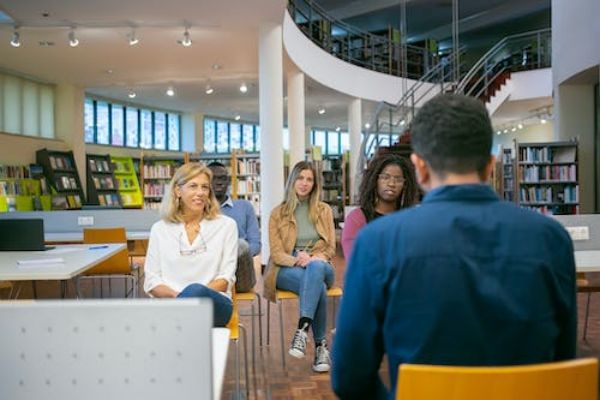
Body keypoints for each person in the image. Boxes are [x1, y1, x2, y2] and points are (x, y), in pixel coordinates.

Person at [332, 94, 576, 399]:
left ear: (419, 168)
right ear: (490, 166)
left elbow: (349, 378)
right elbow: (563, 361)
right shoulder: (551, 239)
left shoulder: (377, 242)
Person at [143, 162, 238, 327]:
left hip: (214, 304)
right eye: (193, 186)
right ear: (178, 191)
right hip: (172, 304)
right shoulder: (159, 229)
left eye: (205, 187)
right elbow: (152, 281)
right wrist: (182, 300)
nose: (200, 193)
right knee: (190, 298)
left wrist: (194, 296)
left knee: (196, 290)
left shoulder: (226, 225)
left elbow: (225, 279)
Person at [264, 161, 336, 373]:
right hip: (287, 266)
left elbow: (331, 247)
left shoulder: (324, 210)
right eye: (300, 178)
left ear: (315, 184)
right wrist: (297, 259)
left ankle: (303, 329)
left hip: (320, 263)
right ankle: (320, 348)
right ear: (292, 180)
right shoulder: (278, 213)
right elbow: (276, 253)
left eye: (309, 179)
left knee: (316, 268)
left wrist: (313, 258)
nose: (304, 183)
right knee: (318, 287)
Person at [341, 153, 418, 260]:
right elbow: (354, 259)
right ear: (374, 180)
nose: (391, 184)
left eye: (398, 179)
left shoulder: (411, 219)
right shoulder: (357, 218)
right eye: (385, 177)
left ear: (405, 185)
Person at [208, 161, 261, 292]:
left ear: (229, 182)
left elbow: (255, 244)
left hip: (240, 273)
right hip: (209, 273)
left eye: (223, 178)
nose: (219, 182)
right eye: (214, 179)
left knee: (241, 244)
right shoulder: (198, 210)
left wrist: (230, 256)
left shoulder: (245, 206)